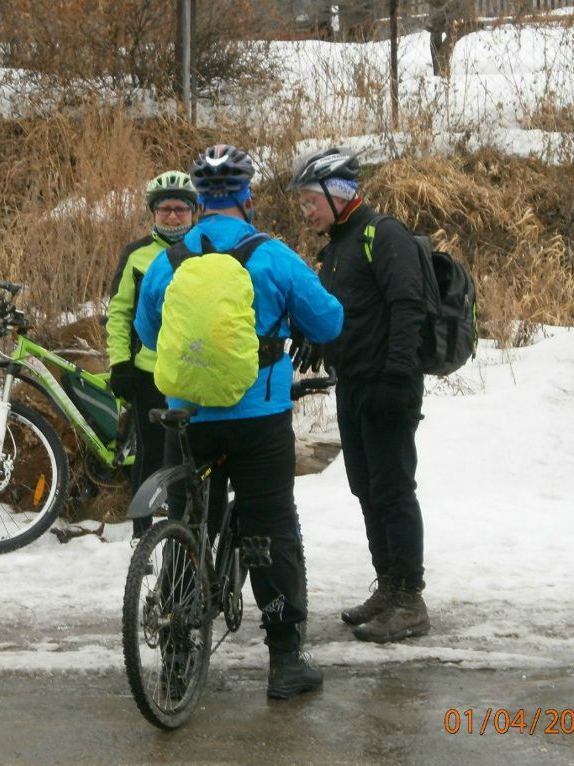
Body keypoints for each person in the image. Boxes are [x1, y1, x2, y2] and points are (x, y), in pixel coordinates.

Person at [135, 144, 343, 699]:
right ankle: (285, 662)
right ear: (247, 197)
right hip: (259, 417)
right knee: (271, 523)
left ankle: (177, 656)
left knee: (185, 521)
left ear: (199, 201)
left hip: (188, 418)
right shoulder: (271, 255)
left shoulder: (169, 260)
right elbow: (328, 321)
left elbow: (151, 335)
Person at [287, 146, 431, 644]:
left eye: (311, 200)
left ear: (339, 192)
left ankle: (410, 598)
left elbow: (407, 306)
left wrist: (397, 378)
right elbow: (337, 308)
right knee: (366, 487)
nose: (306, 211)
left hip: (388, 385)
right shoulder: (339, 245)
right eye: (303, 202)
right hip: (353, 383)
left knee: (393, 489)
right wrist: (312, 337)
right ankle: (388, 588)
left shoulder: (382, 235)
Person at [106, 170, 197, 538]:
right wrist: (119, 363)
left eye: (180, 209)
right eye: (164, 209)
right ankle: (142, 535)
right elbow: (118, 313)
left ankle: (189, 530)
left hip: (197, 372)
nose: (172, 217)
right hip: (150, 372)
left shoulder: (207, 250)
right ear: (153, 212)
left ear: (194, 211)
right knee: (150, 454)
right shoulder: (137, 255)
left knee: (194, 456)